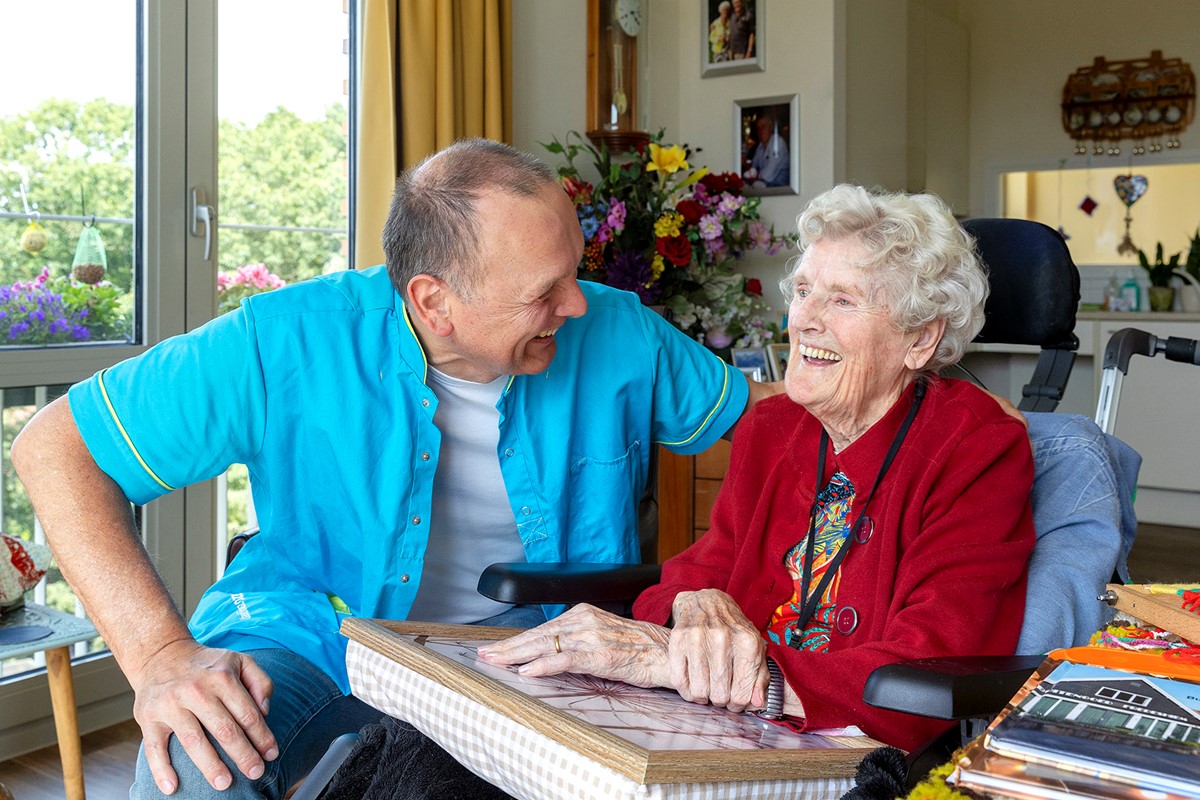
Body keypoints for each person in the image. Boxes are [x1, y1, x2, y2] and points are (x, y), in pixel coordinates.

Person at [11, 139, 774, 799]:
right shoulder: (288, 339)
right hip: (315, 632)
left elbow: (780, 427)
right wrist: (159, 657)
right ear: (432, 300)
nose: (576, 306)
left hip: (538, 652)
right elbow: (56, 447)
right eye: (544, 292)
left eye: (575, 271)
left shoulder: (621, 333)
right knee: (195, 757)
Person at [481, 184, 1037, 753]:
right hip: (717, 725)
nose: (805, 321)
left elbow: (925, 673)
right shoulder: (773, 427)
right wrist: (692, 601)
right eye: (803, 291)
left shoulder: (976, 449)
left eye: (842, 300)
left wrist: (677, 661)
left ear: (920, 338)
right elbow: (704, 566)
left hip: (855, 752)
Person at [745, 113, 790, 188]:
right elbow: (753, 167)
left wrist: (754, 175)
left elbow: (768, 175)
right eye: (758, 128)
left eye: (764, 126)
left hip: (781, 190)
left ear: (771, 127)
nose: (761, 131)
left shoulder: (778, 143)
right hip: (766, 188)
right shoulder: (760, 147)